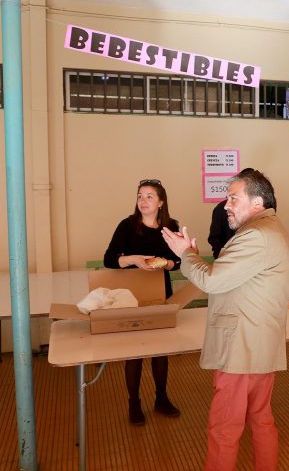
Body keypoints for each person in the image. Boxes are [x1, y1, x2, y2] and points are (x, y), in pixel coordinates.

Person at [161, 169, 289, 471]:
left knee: (224, 428)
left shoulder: (256, 236)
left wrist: (185, 254)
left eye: (234, 198)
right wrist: (192, 254)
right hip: (259, 344)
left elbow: (211, 281)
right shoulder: (270, 230)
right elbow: (227, 276)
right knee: (260, 418)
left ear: (258, 202)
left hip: (241, 349)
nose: (226, 205)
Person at [103, 178, 182, 426]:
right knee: (134, 352)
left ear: (161, 202)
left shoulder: (171, 226)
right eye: (140, 196)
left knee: (160, 349)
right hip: (131, 295)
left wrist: (166, 263)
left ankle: (161, 398)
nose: (143, 201)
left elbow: (179, 261)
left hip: (160, 293)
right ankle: (134, 403)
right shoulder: (127, 226)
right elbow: (109, 259)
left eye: (149, 196)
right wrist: (133, 259)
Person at [208, 167, 254, 258]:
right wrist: (221, 257)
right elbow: (214, 238)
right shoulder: (221, 208)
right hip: (225, 258)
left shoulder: (262, 208)